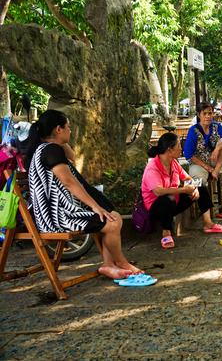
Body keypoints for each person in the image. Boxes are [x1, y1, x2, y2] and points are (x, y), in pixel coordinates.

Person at [25, 110, 141, 279]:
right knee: (112, 222)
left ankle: (109, 265)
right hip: (57, 216)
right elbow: (68, 181)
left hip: (62, 211)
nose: (70, 131)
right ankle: (121, 262)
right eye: (68, 127)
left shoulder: (52, 148)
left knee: (113, 216)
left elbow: (71, 157)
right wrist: (95, 206)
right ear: (58, 129)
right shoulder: (50, 150)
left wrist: (62, 142)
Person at [141, 133, 222, 249]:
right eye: (178, 145)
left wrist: (194, 189)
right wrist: (183, 190)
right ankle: (166, 233)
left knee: (200, 185)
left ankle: (208, 223)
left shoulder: (174, 162)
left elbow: (187, 178)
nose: (181, 148)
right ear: (170, 150)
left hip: (174, 203)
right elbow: (158, 191)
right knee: (168, 199)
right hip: (157, 208)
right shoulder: (153, 167)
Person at [183, 102, 222, 183]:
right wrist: (207, 168)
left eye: (210, 113)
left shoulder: (216, 126)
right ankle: (197, 194)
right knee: (197, 183)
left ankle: (216, 171)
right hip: (198, 163)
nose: (207, 116)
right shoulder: (193, 130)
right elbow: (188, 154)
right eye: (204, 113)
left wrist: (217, 149)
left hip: (214, 160)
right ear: (199, 114)